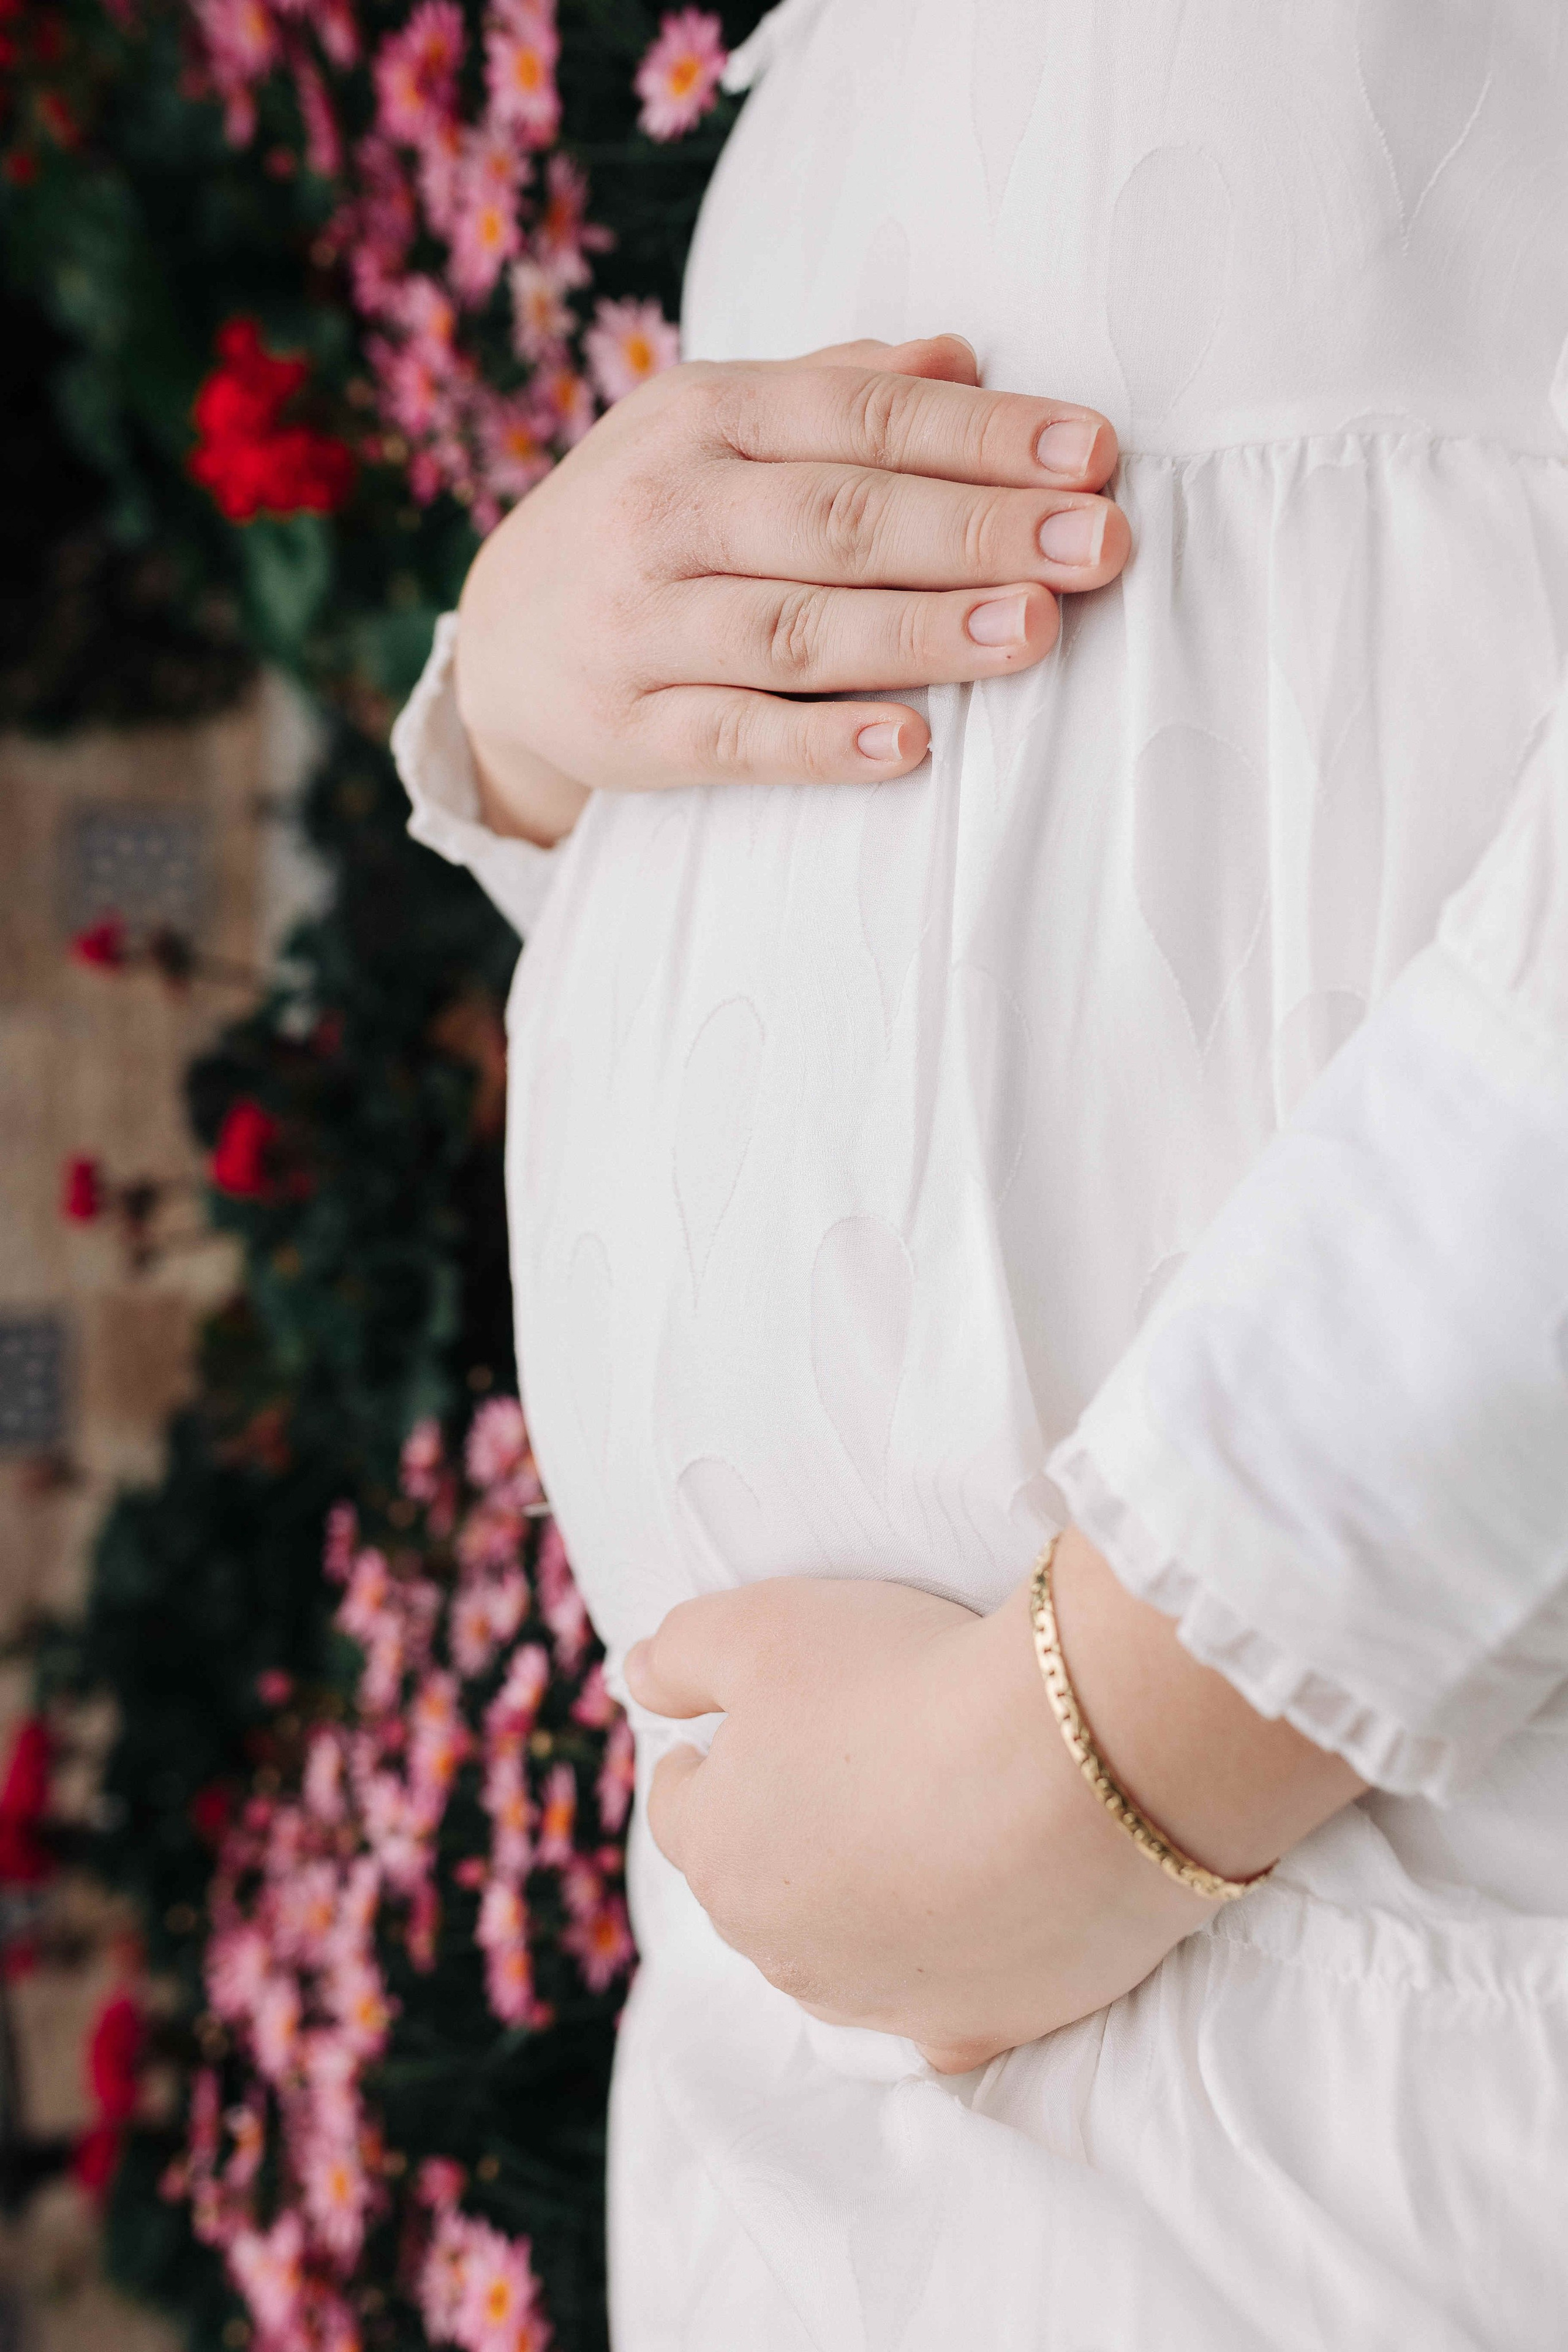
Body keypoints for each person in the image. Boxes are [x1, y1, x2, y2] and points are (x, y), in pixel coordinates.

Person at [394, 0, 1568, 2342]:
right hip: (832, 2120)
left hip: (1396, 2001)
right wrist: (533, 743)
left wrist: (1120, 1741)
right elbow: (1015, 802)